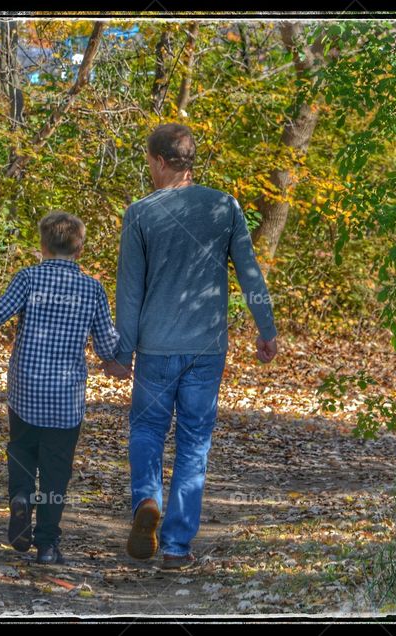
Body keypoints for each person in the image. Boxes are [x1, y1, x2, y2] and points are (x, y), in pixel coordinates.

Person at [109, 123, 279, 570]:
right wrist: (266, 327)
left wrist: (121, 351)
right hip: (206, 348)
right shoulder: (225, 206)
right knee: (194, 442)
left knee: (147, 431)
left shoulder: (140, 213)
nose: (148, 169)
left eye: (149, 161)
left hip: (155, 347)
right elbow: (250, 273)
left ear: (161, 161)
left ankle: (147, 499)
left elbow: (130, 290)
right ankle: (176, 547)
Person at [0, 212, 122, 565]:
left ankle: (20, 497)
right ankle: (47, 545)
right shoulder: (93, 289)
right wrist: (119, 362)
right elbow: (107, 345)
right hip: (66, 397)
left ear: (43, 245)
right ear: (79, 249)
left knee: (21, 450)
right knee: (57, 470)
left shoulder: (28, 278)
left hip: (26, 389)